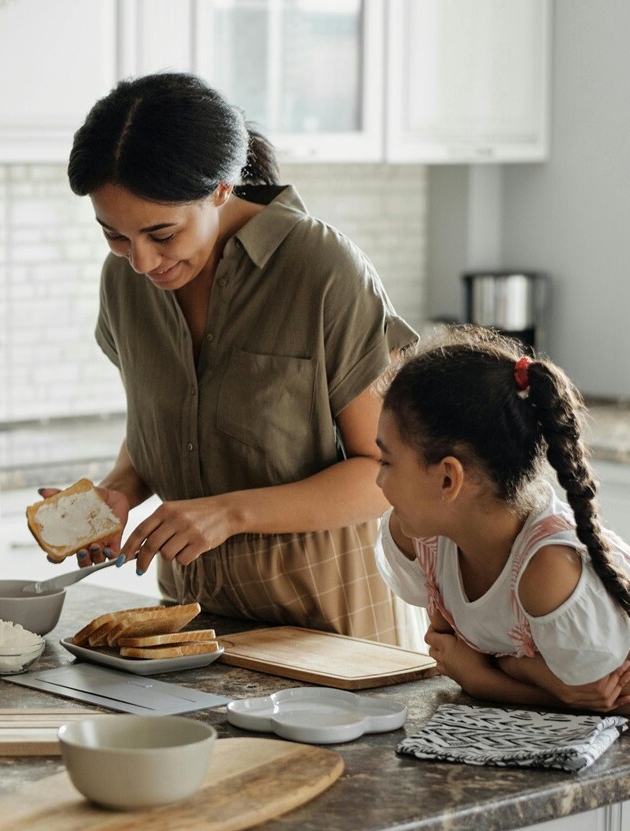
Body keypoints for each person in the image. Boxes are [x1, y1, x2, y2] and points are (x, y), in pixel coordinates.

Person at [54, 71, 417, 644]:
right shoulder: (123, 283)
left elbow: (387, 475)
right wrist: (118, 493)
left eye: (162, 234)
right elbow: (165, 427)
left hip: (334, 632)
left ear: (222, 188)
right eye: (116, 237)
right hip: (192, 629)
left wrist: (230, 513)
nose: (143, 262)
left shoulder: (320, 270)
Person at [374, 327, 630, 831]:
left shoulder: (548, 571)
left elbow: (619, 697)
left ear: (448, 479)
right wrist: (537, 676)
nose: (376, 479)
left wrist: (488, 677)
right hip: (586, 748)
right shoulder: (421, 536)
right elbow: (564, 691)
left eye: (386, 460)